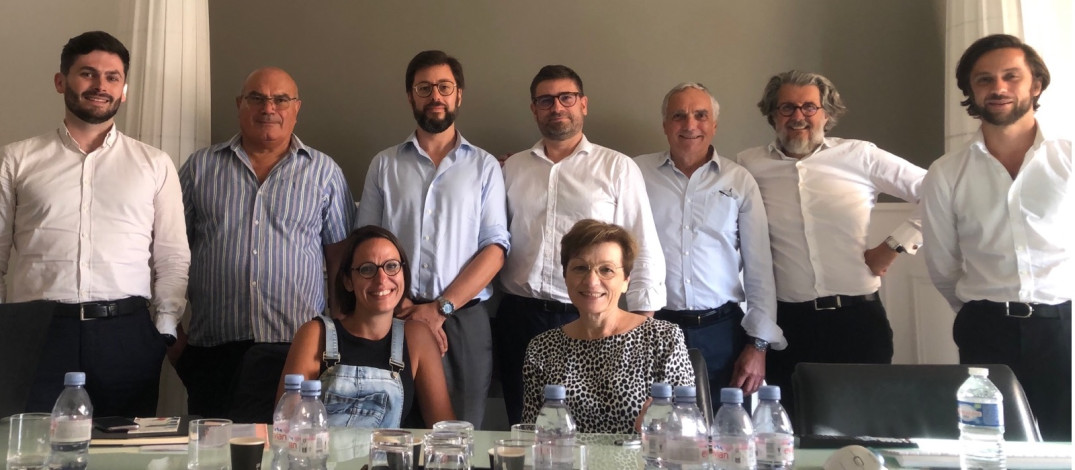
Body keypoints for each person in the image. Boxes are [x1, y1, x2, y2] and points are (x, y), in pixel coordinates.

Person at [0, 31, 189, 416]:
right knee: (30, 441)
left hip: (125, 334)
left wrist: (165, 326)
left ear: (123, 90)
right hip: (34, 332)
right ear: (61, 81)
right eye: (88, 73)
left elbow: (171, 256)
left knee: (124, 443)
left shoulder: (154, 164)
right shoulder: (16, 160)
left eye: (112, 77)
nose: (101, 85)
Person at [737, 70, 926, 419]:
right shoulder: (749, 165)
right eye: (787, 107)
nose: (798, 116)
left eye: (809, 107)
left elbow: (939, 193)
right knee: (794, 431)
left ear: (826, 114)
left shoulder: (860, 156)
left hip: (858, 321)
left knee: (864, 430)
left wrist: (894, 245)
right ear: (772, 115)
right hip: (789, 326)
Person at [178, 67, 356, 420]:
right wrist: (173, 340)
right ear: (239, 104)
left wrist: (338, 338)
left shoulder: (324, 172)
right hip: (212, 350)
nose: (268, 108)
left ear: (296, 107)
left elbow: (340, 261)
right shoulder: (200, 168)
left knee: (289, 443)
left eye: (281, 99)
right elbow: (170, 251)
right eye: (257, 98)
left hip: (297, 351)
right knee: (212, 447)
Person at [497, 65, 666, 425]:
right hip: (520, 318)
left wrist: (643, 325)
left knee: (598, 423)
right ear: (534, 109)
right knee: (526, 425)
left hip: (592, 316)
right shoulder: (512, 169)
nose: (557, 107)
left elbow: (643, 246)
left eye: (566, 98)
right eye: (546, 100)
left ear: (583, 104)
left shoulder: (617, 167)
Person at [922, 34, 1071, 441]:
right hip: (986, 329)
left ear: (1035, 84)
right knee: (989, 444)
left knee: (1065, 443)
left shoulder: (1069, 160)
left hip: (1063, 325)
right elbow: (942, 264)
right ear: (971, 91)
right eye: (984, 79)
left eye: (1011, 76)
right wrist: (980, 311)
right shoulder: (946, 173)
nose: (998, 87)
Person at [357, 50, 509, 427]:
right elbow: (365, 244)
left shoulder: (485, 167)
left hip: (463, 319)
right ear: (410, 96)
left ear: (459, 95)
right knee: (390, 429)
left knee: (460, 433)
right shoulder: (384, 165)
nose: (435, 96)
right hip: (393, 313)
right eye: (424, 88)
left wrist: (440, 308)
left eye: (444, 87)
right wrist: (403, 304)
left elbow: (495, 250)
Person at [637, 83, 786, 408]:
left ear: (714, 125)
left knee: (725, 429)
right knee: (655, 428)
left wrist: (758, 347)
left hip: (722, 333)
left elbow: (760, 269)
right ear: (665, 125)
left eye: (700, 115)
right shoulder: (636, 174)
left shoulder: (738, 180)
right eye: (679, 116)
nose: (690, 125)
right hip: (654, 328)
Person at [521, 220, 693, 434]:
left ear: (626, 281)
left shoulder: (663, 338)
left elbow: (689, 432)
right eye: (580, 268)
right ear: (565, 276)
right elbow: (531, 435)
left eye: (606, 270)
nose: (592, 281)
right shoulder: (542, 348)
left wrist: (659, 430)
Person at [279, 225, 455, 428]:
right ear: (348, 281)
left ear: (403, 274)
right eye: (367, 269)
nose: (381, 279)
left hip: (390, 450)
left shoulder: (417, 337)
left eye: (391, 266)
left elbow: (445, 430)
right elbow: (287, 428)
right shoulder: (315, 334)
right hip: (321, 450)